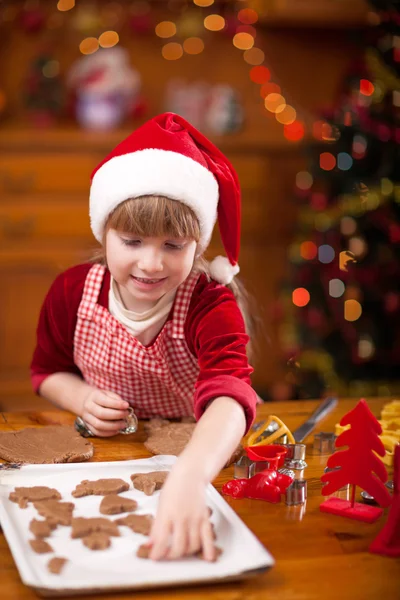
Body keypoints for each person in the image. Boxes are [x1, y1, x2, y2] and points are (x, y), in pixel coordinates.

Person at [31, 112, 258, 561]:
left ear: (197, 246)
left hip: (196, 452)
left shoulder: (209, 305)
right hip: (107, 454)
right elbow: (45, 372)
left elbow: (231, 398)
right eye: (133, 241)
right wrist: (80, 398)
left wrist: (192, 476)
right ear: (105, 232)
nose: (152, 264)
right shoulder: (71, 292)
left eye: (173, 245)